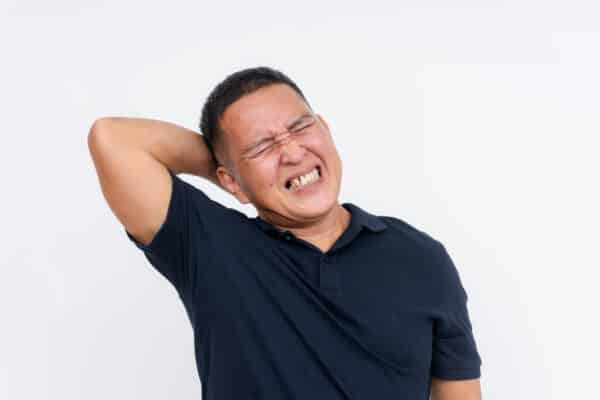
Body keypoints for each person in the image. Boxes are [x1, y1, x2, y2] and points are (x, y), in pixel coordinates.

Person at [87, 66, 482, 400]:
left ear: (325, 129)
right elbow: (112, 139)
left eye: (301, 128)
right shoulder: (211, 248)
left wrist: (252, 167)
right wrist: (233, 174)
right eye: (263, 146)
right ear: (231, 182)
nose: (293, 153)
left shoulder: (420, 257)